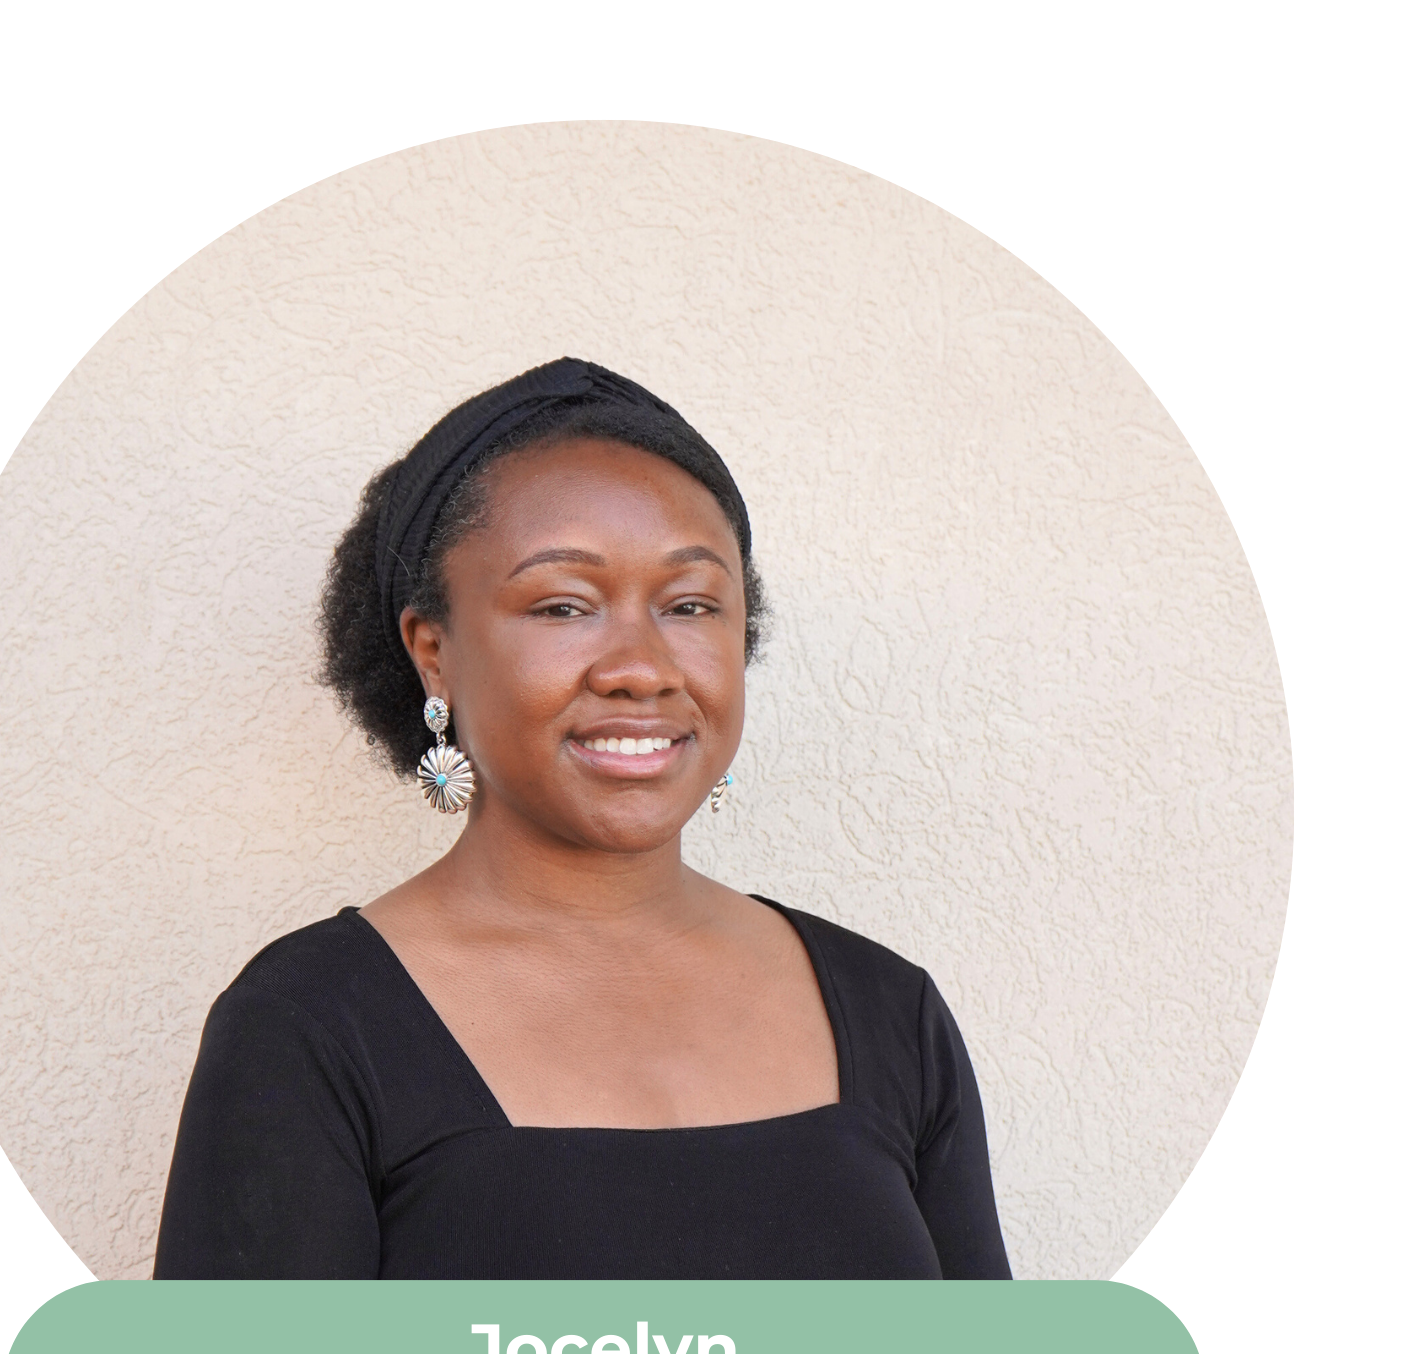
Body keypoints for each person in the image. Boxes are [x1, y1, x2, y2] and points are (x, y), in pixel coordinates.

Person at [153, 358, 1011, 1280]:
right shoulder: (310, 1025)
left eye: (690, 605)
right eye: (564, 605)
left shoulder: (891, 1011)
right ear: (432, 652)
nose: (641, 667)